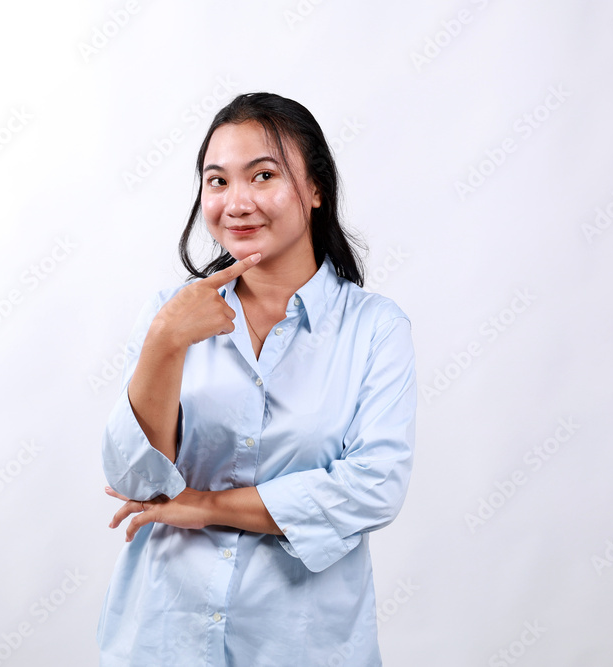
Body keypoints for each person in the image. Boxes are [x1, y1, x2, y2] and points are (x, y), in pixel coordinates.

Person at [97, 92, 416, 666]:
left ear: (316, 189)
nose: (236, 202)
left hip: (301, 644)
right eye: (216, 181)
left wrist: (205, 505)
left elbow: (374, 487)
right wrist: (166, 340)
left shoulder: (374, 329)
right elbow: (135, 482)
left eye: (262, 175)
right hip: (164, 635)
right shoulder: (168, 314)